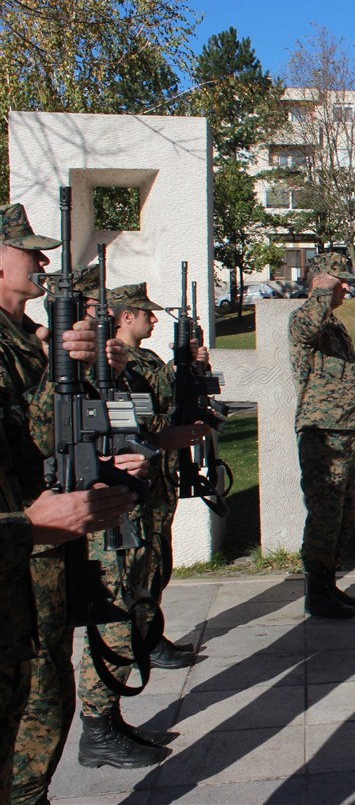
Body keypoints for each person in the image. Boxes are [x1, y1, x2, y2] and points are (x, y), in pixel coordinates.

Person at [0, 203, 143, 804]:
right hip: (18, 545)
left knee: (45, 693)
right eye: (27, 250)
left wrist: (114, 457)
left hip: (45, 553)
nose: (42, 259)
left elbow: (53, 438)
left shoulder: (30, 343)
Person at [74, 282, 210, 770]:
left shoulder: (121, 366)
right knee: (111, 613)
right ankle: (97, 726)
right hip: (109, 503)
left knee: (134, 597)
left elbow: (141, 420)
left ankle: (107, 720)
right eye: (92, 311)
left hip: (134, 491)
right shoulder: (82, 368)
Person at [289, 252, 355, 619]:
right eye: (341, 282)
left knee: (344, 513)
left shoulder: (333, 324)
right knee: (325, 513)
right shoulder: (305, 317)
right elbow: (306, 328)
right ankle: (316, 592)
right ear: (323, 282)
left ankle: (329, 584)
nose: (347, 289)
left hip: (344, 429)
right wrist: (321, 291)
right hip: (323, 432)